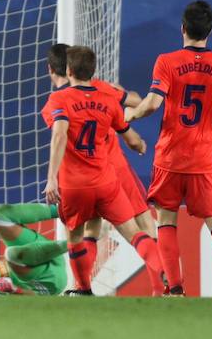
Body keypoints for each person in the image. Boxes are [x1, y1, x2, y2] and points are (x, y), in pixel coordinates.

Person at [125, 0, 212, 297]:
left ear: (183, 28)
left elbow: (153, 104)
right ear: (210, 31)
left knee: (166, 222)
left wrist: (130, 115)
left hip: (169, 158)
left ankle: (175, 288)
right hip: (205, 159)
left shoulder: (167, 61)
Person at [42, 46, 164, 295]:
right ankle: (164, 280)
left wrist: (51, 178)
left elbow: (60, 134)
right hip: (108, 174)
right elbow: (136, 103)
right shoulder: (105, 92)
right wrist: (126, 113)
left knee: (84, 232)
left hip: (77, 181)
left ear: (57, 69)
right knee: (139, 227)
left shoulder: (57, 101)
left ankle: (82, 287)